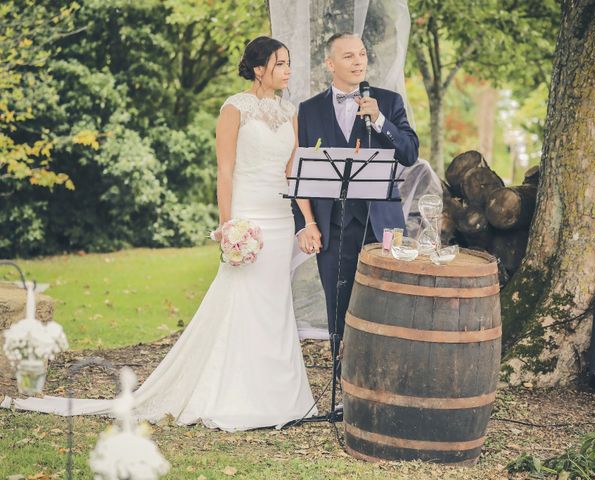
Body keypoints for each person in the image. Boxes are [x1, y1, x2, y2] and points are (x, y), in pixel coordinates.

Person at [2, 36, 317, 431]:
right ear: (259, 69)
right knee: (243, 303)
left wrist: (308, 221)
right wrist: (228, 225)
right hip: (248, 218)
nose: (288, 70)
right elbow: (224, 170)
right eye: (281, 63)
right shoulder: (234, 109)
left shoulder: (290, 112)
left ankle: (280, 393)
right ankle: (235, 393)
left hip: (280, 217)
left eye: (289, 63)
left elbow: (295, 173)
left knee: (275, 306)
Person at [293, 33, 419, 375]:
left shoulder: (388, 102)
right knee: (338, 305)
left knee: (386, 303)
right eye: (348, 56)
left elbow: (409, 153)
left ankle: (385, 375)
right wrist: (305, 223)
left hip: (382, 225)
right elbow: (298, 171)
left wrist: (379, 120)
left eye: (362, 54)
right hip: (332, 225)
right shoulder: (308, 110)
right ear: (330, 64)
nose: (358, 61)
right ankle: (343, 379)